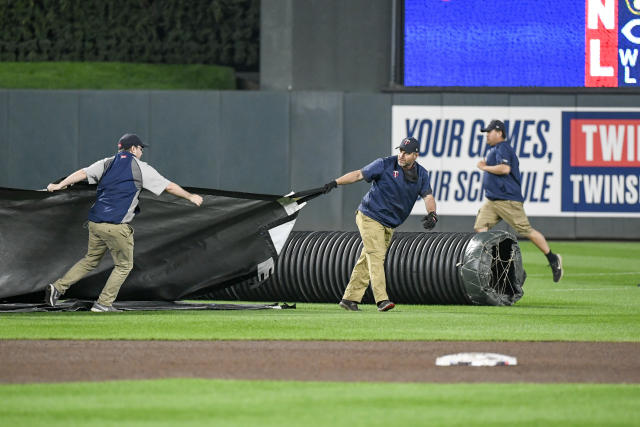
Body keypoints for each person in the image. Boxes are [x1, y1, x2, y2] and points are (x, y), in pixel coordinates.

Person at [44, 133, 203, 312]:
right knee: (124, 265)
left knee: (90, 260)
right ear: (133, 149)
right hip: (115, 226)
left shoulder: (107, 162)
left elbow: (81, 173)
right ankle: (103, 304)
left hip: (95, 223)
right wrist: (190, 196)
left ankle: (57, 288)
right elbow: (169, 187)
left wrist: (59, 185)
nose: (142, 152)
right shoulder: (141, 168)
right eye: (141, 148)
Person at [322, 137, 437, 312]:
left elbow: (428, 196)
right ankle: (382, 300)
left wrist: (432, 214)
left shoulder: (422, 174)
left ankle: (349, 298)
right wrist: (335, 182)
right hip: (369, 216)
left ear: (416, 155)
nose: (401, 155)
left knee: (366, 259)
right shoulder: (385, 164)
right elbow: (359, 174)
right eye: (400, 151)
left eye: (406, 153)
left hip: (389, 224)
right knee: (376, 256)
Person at [475, 119, 563, 282]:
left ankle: (553, 259)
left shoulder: (503, 147)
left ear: (499, 133)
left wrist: (484, 167)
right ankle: (500, 266)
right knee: (481, 229)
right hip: (492, 201)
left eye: (489, 132)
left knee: (525, 230)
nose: (486, 135)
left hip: (508, 200)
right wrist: (487, 165)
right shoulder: (494, 149)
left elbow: (505, 168)